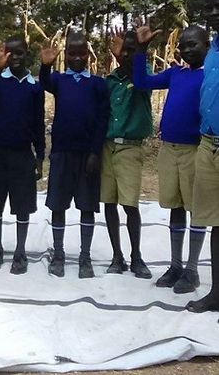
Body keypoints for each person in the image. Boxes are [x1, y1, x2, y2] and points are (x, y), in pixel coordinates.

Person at [133, 22, 208, 294]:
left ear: (208, 47)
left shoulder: (209, 75)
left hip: (194, 151)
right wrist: (141, 49)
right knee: (175, 206)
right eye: (183, 45)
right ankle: (176, 266)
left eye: (193, 44)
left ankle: (192, 270)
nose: (186, 49)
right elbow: (142, 82)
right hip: (168, 150)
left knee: (196, 209)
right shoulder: (176, 73)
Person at [40, 32, 109, 278]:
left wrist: (94, 152)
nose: (77, 57)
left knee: (87, 205)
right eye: (72, 53)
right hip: (62, 153)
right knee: (58, 205)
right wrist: (45, 65)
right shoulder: (59, 80)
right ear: (66, 55)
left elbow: (102, 119)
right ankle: (58, 254)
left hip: (87, 155)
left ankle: (85, 257)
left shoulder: (98, 84)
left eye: (81, 53)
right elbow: (43, 83)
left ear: (88, 55)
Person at [0, 36, 45, 275]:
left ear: (27, 55)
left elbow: (38, 122)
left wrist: (40, 154)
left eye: (20, 53)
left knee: (22, 205)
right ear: (4, 55)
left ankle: (20, 251)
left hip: (21, 154)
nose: (15, 58)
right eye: (10, 54)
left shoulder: (34, 87)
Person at [101, 29, 153, 279]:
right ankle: (116, 255)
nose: (127, 54)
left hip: (130, 148)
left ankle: (136, 256)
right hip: (107, 147)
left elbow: (141, 82)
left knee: (130, 204)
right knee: (109, 202)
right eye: (125, 49)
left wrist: (124, 56)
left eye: (133, 50)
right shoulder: (109, 81)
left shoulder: (142, 77)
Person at [187, 0, 219, 312]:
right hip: (208, 145)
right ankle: (216, 293)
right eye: (208, 7)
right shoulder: (213, 49)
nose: (212, 13)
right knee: (214, 222)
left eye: (217, 6)